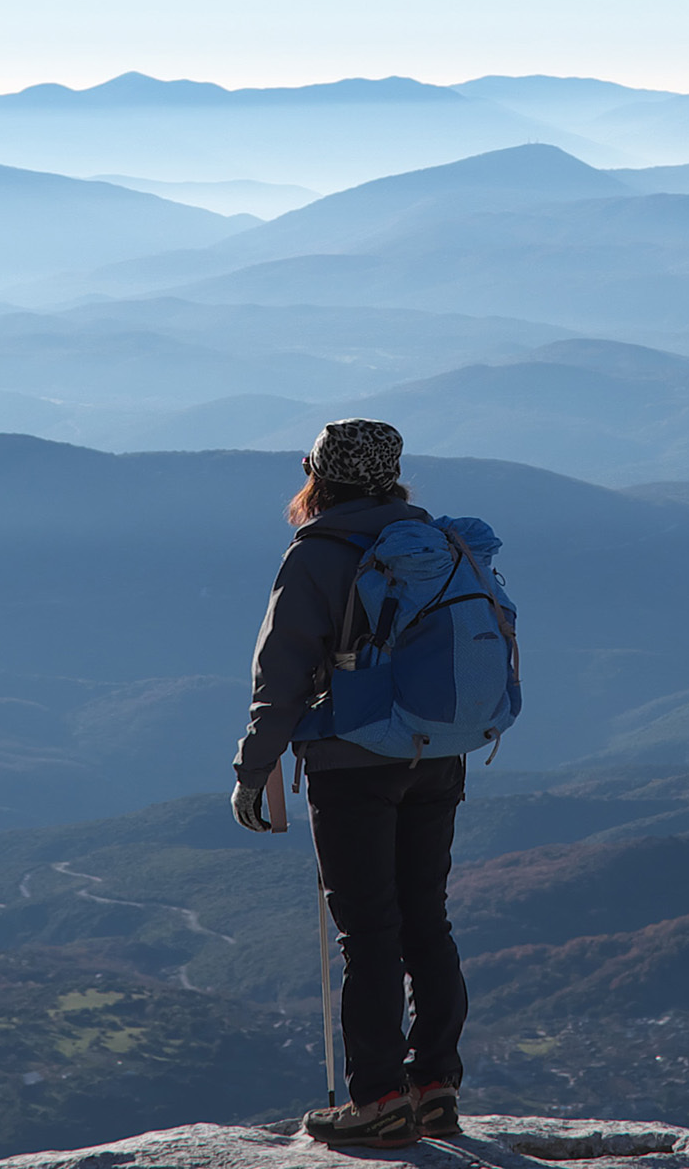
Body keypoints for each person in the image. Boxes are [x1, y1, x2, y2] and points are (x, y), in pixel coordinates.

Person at [236, 417, 472, 1149]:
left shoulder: (318, 554)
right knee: (426, 920)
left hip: (350, 764)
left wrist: (254, 769)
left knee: (369, 934)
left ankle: (375, 1101)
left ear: (319, 474)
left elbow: (279, 674)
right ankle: (434, 1086)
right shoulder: (434, 544)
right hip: (436, 755)